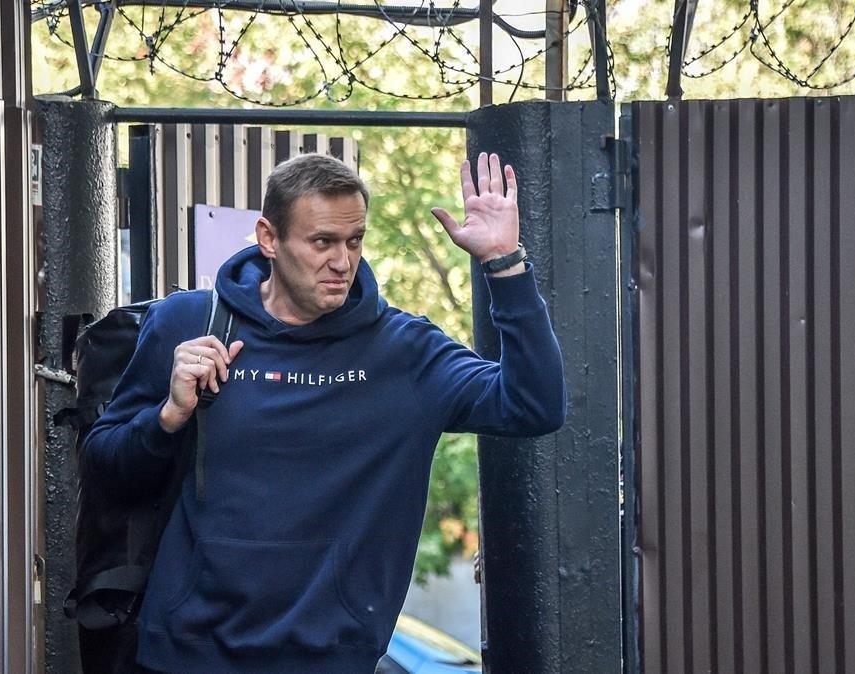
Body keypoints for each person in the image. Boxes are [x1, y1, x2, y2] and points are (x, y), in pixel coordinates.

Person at [84, 151, 566, 673]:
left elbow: (534, 406)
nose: (342, 261)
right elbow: (104, 469)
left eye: (354, 240)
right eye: (322, 242)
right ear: (269, 238)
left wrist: (505, 264)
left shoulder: (404, 352)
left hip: (332, 658)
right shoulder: (188, 325)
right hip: (184, 656)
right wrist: (168, 417)